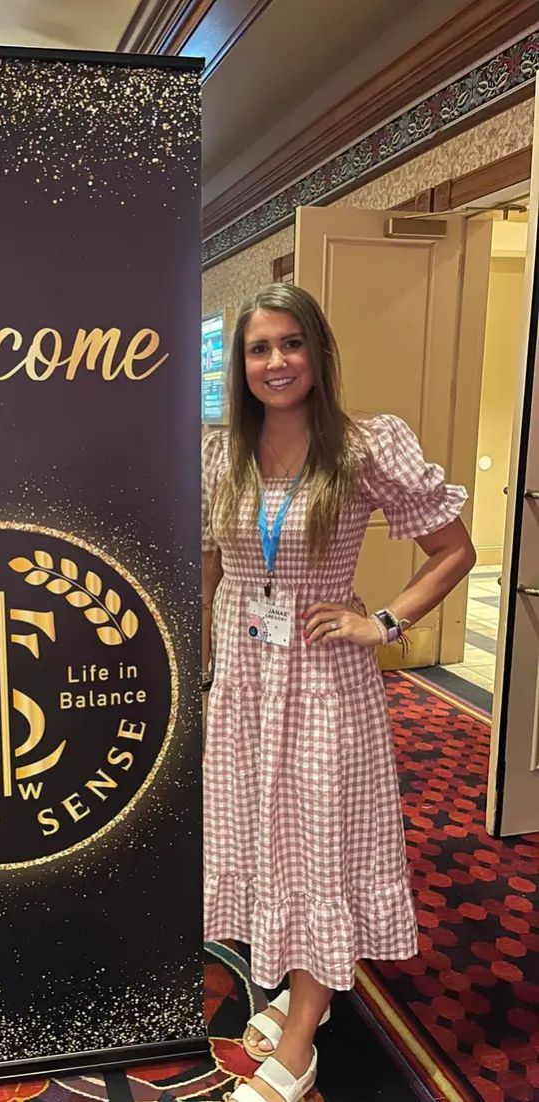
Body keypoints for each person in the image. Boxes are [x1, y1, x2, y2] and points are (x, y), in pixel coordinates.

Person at [201, 284, 476, 1102]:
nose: (275, 362)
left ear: (317, 353)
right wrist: (198, 652)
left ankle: (301, 1036)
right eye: (259, 348)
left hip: (323, 678)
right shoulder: (222, 454)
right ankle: (299, 992)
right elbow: (212, 564)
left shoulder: (363, 446)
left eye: (291, 344)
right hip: (245, 679)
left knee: (318, 841)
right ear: (241, 366)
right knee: (262, 834)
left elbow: (454, 550)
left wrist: (384, 623)